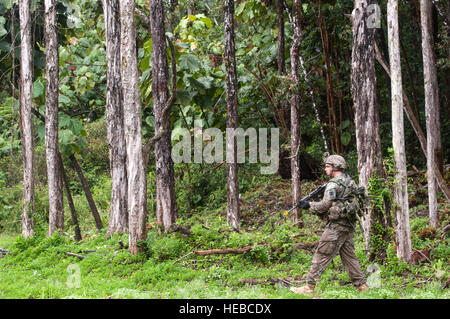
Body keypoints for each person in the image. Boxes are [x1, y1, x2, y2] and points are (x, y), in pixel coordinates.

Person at [290, 155, 369, 294]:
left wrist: (308, 205)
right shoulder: (350, 181)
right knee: (349, 257)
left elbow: (324, 206)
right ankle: (362, 286)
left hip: (336, 227)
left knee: (321, 254)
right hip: (349, 225)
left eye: (327, 166)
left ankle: (309, 287)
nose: (325, 169)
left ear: (335, 167)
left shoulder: (333, 184)